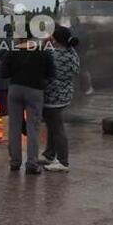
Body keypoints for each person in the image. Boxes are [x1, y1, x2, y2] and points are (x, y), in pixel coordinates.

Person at [2, 28, 55, 174]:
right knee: (33, 128)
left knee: (14, 126)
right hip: (35, 91)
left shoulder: (12, 52)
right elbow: (51, 74)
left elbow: (3, 73)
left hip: (15, 89)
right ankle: (32, 163)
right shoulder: (42, 52)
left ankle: (15, 162)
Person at [41, 26, 80, 173]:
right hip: (65, 95)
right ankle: (49, 155)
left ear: (55, 39)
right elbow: (76, 71)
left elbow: (39, 56)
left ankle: (63, 161)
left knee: (57, 129)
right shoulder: (72, 54)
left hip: (52, 97)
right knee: (52, 126)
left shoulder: (53, 54)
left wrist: (45, 42)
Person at [70, 17, 94, 95]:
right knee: (75, 72)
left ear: (77, 21)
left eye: (73, 21)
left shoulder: (82, 30)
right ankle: (78, 89)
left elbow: (85, 41)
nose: (71, 22)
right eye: (71, 21)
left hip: (81, 52)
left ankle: (88, 87)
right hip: (73, 52)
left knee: (83, 71)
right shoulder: (70, 29)